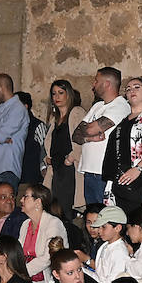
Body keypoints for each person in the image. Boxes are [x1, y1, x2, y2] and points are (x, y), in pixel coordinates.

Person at [101, 75, 142, 213]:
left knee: (136, 222)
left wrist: (138, 169)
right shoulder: (124, 121)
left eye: (136, 87)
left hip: (140, 179)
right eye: (128, 89)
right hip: (120, 180)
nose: (131, 91)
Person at [72, 67, 130, 207]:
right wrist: (90, 138)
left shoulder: (121, 106)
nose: (93, 85)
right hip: (89, 172)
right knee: (91, 217)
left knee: (104, 217)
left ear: (107, 84)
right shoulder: (97, 106)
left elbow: (90, 128)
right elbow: (76, 135)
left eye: (96, 81)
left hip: (103, 174)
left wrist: (90, 130)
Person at [16, 183, 68, 283]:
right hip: (28, 277)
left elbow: (48, 258)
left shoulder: (53, 223)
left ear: (38, 202)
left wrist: (21, 273)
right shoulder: (25, 224)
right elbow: (18, 252)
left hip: (48, 280)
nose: (21, 200)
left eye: (26, 196)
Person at [42, 78, 83, 218]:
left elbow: (83, 139)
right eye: (54, 94)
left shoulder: (76, 112)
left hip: (69, 171)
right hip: (56, 169)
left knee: (66, 210)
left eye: (60, 92)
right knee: (54, 210)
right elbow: (51, 144)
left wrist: (71, 158)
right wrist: (47, 159)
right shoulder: (55, 119)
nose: (57, 97)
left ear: (68, 94)